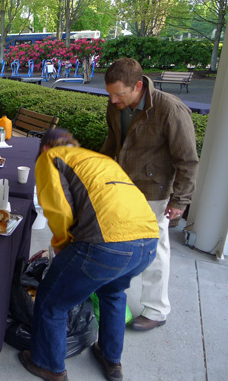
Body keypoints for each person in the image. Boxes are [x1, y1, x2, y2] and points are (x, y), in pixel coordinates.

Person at [18, 128, 159, 381]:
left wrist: (62, 245)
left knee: (52, 301)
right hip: (148, 241)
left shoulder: (51, 158)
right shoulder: (98, 159)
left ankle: (49, 366)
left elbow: (58, 208)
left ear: (45, 148)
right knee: (113, 294)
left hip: (105, 245)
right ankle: (111, 358)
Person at [101, 58, 199, 331]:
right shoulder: (115, 106)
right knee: (116, 242)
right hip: (120, 187)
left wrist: (180, 200)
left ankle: (156, 311)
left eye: (119, 94)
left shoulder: (170, 109)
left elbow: (188, 161)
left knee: (154, 251)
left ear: (138, 86)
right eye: (109, 93)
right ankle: (110, 297)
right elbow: (112, 143)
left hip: (153, 192)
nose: (112, 99)